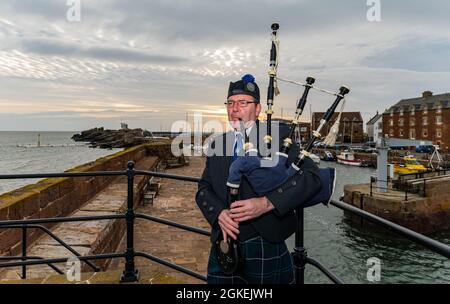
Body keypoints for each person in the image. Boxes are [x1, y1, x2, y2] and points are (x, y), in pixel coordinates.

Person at [195, 74, 322, 284]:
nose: (234, 109)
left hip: (265, 241)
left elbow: (311, 177)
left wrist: (267, 203)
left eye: (243, 103)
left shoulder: (279, 137)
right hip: (224, 245)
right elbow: (203, 188)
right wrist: (218, 213)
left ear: (258, 108)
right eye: (230, 103)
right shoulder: (218, 143)